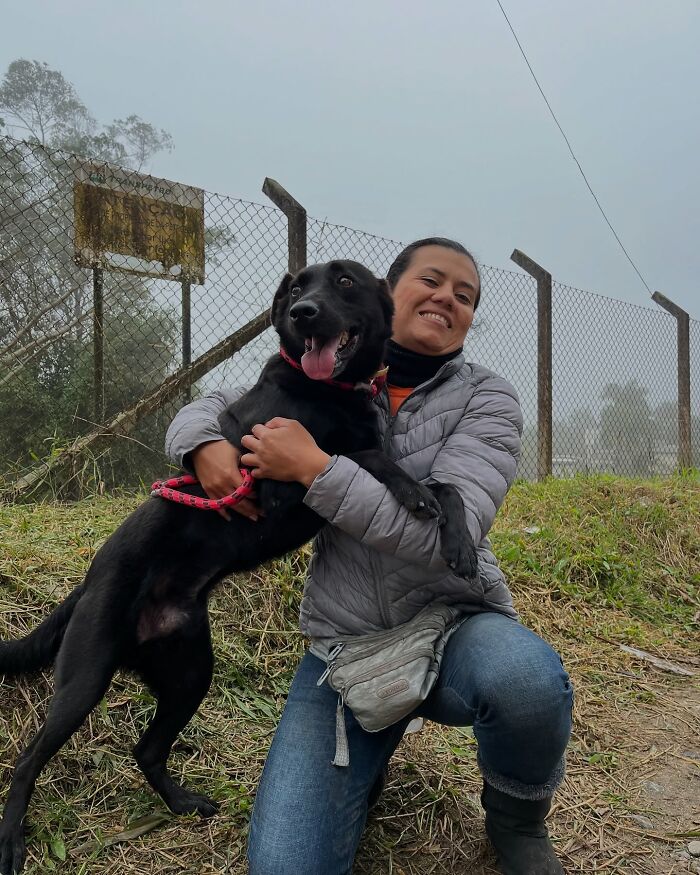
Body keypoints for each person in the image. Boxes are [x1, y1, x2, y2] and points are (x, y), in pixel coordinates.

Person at [165, 238, 572, 875]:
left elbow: (440, 532)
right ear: (392, 294)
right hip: (347, 643)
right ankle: (367, 754)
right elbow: (212, 405)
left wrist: (315, 469)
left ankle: (517, 818)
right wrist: (199, 446)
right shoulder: (323, 371)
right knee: (284, 867)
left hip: (453, 622)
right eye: (432, 281)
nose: (447, 298)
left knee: (525, 681)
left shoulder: (488, 398)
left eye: (465, 296)